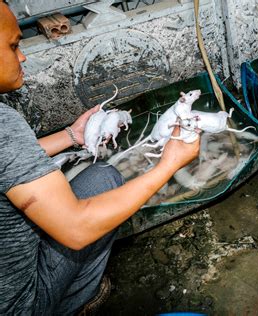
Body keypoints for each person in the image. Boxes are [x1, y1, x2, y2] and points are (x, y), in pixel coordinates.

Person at [0, 1, 200, 314]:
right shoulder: (3, 123)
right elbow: (76, 230)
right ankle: (72, 304)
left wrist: (72, 136)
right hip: (17, 306)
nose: (22, 56)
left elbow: (10, 159)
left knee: (91, 178)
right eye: (13, 46)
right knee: (104, 179)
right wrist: (169, 164)